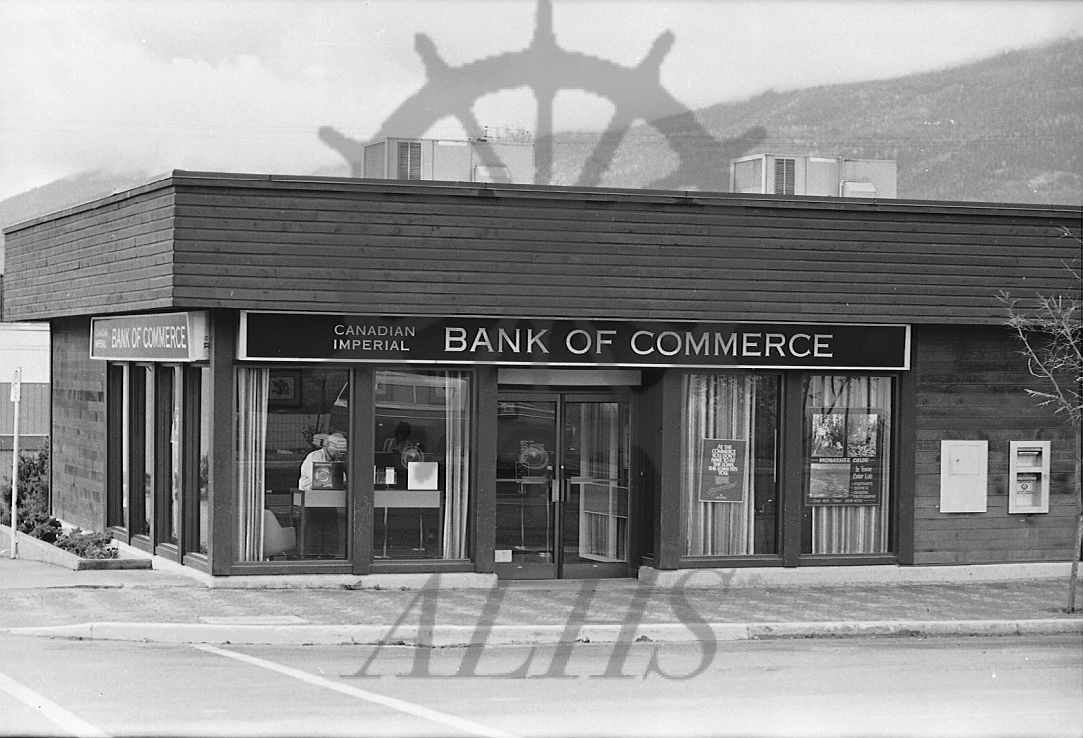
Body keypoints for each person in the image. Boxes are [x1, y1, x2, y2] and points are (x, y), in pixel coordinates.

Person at [297, 432, 347, 558]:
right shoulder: (314, 457)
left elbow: (343, 479)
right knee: (315, 528)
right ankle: (312, 556)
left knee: (331, 528)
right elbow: (317, 479)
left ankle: (330, 555)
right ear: (328, 446)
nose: (338, 454)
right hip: (312, 499)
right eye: (336, 451)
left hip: (328, 499)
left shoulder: (336, 460)